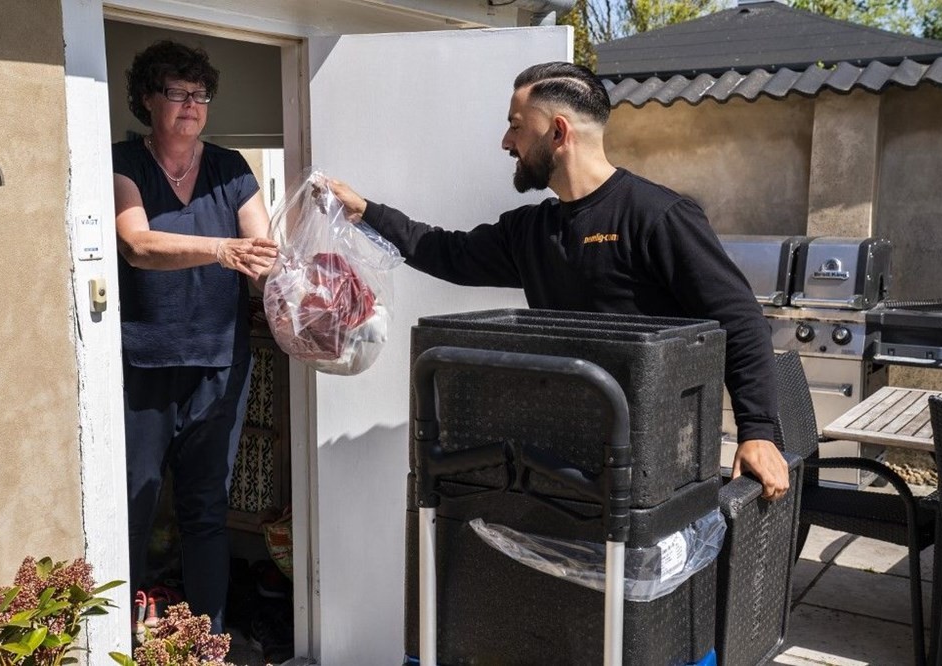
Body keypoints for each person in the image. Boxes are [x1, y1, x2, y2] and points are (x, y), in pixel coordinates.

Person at [330, 61, 789, 500]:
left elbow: (739, 319)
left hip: (652, 460)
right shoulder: (530, 230)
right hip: (565, 452)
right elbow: (445, 251)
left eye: (515, 125)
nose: (506, 142)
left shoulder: (658, 216)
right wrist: (367, 212)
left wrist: (758, 433)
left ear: (558, 131)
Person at [112, 40, 278, 633]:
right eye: (176, 93)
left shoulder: (231, 169)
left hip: (220, 361)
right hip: (144, 364)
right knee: (136, 499)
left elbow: (263, 254)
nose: (190, 105)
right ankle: (121, 634)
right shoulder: (125, 165)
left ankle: (205, 636)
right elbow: (137, 245)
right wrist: (221, 250)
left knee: (206, 506)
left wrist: (296, 292)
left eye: (199, 94)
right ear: (146, 100)